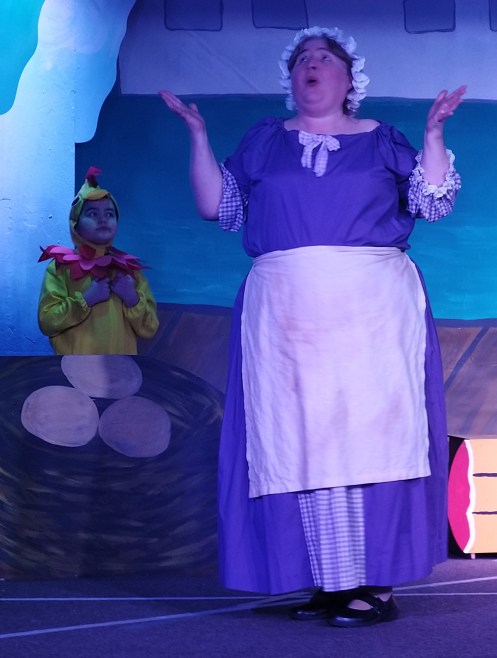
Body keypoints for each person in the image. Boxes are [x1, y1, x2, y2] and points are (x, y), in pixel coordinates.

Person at [160, 26, 465, 627]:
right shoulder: (264, 140)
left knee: (371, 438)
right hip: (285, 314)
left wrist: (434, 134)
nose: (313, 64)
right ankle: (329, 578)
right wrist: (198, 135)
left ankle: (375, 583)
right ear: (291, 77)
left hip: (372, 312)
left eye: (325, 57)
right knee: (296, 437)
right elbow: (217, 207)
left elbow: (433, 202)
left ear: (350, 80)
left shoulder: (383, 140)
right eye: (303, 57)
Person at [38, 167, 159, 354]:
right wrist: (86, 299)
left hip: (119, 368)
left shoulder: (129, 271)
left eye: (109, 214)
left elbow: (149, 328)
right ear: (75, 224)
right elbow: (47, 322)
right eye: (92, 214)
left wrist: (131, 297)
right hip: (75, 368)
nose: (103, 220)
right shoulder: (60, 268)